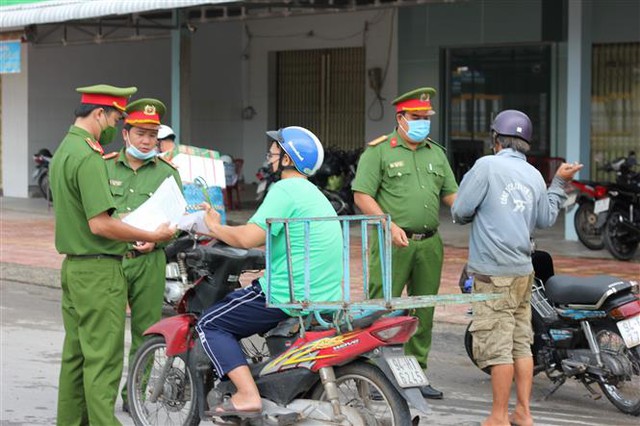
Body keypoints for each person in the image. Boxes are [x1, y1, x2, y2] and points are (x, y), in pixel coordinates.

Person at [50, 84, 176, 425]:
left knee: (76, 357)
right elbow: (101, 225)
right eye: (118, 118)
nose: (114, 127)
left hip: (75, 268)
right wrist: (149, 234)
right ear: (100, 114)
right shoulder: (89, 157)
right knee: (103, 361)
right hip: (100, 269)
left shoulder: (64, 149)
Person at [195, 126, 343, 416]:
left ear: (288, 159)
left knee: (210, 323)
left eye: (274, 151)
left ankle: (247, 394)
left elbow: (249, 237)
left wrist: (213, 226)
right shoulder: (313, 193)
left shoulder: (285, 189)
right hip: (323, 292)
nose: (270, 157)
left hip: (290, 295)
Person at [451, 109, 583, 426]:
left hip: (493, 273)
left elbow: (460, 210)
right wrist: (559, 183)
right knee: (521, 344)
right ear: (525, 143)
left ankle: (498, 416)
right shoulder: (534, 175)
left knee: (497, 348)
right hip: (524, 271)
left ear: (496, 139)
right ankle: (523, 411)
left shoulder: (486, 166)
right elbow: (545, 219)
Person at [351, 87, 457, 399]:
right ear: (401, 118)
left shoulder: (436, 153)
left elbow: (452, 195)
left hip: (429, 244)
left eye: (427, 117)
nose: (424, 122)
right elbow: (361, 195)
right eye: (417, 117)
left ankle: (417, 374)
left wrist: (476, 208)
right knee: (382, 308)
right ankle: (374, 375)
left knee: (423, 312)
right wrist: (388, 224)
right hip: (392, 242)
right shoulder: (379, 151)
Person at [102, 98, 183, 412]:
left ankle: (132, 398)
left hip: (150, 262)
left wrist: (157, 241)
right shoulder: (105, 166)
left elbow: (177, 220)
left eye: (153, 135)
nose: (148, 141)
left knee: (147, 331)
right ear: (126, 134)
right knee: (107, 334)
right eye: (141, 134)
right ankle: (101, 399)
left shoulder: (166, 172)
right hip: (112, 260)